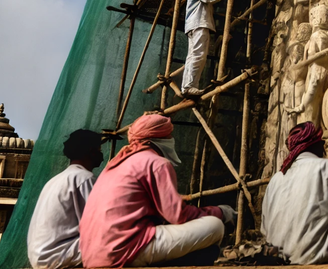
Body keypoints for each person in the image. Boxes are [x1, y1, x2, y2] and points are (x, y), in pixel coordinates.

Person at [79, 114, 234, 267]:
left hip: (92, 256)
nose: (172, 138)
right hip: (122, 251)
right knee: (215, 225)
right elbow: (177, 216)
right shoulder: (157, 163)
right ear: (161, 138)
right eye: (169, 135)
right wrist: (220, 212)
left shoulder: (115, 164)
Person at [260, 122, 328, 264]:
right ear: (315, 144)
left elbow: (264, 229)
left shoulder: (275, 179)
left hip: (277, 258)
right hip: (316, 256)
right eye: (321, 142)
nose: (323, 146)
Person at [27, 130, 104, 269]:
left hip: (40, 256)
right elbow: (98, 225)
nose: (101, 154)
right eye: (99, 150)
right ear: (91, 151)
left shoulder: (54, 180)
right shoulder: (84, 178)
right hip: (58, 255)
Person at [182, 0, 231, 96]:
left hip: (193, 25)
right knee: (199, 55)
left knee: (192, 56)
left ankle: (186, 87)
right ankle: (190, 87)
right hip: (199, 24)